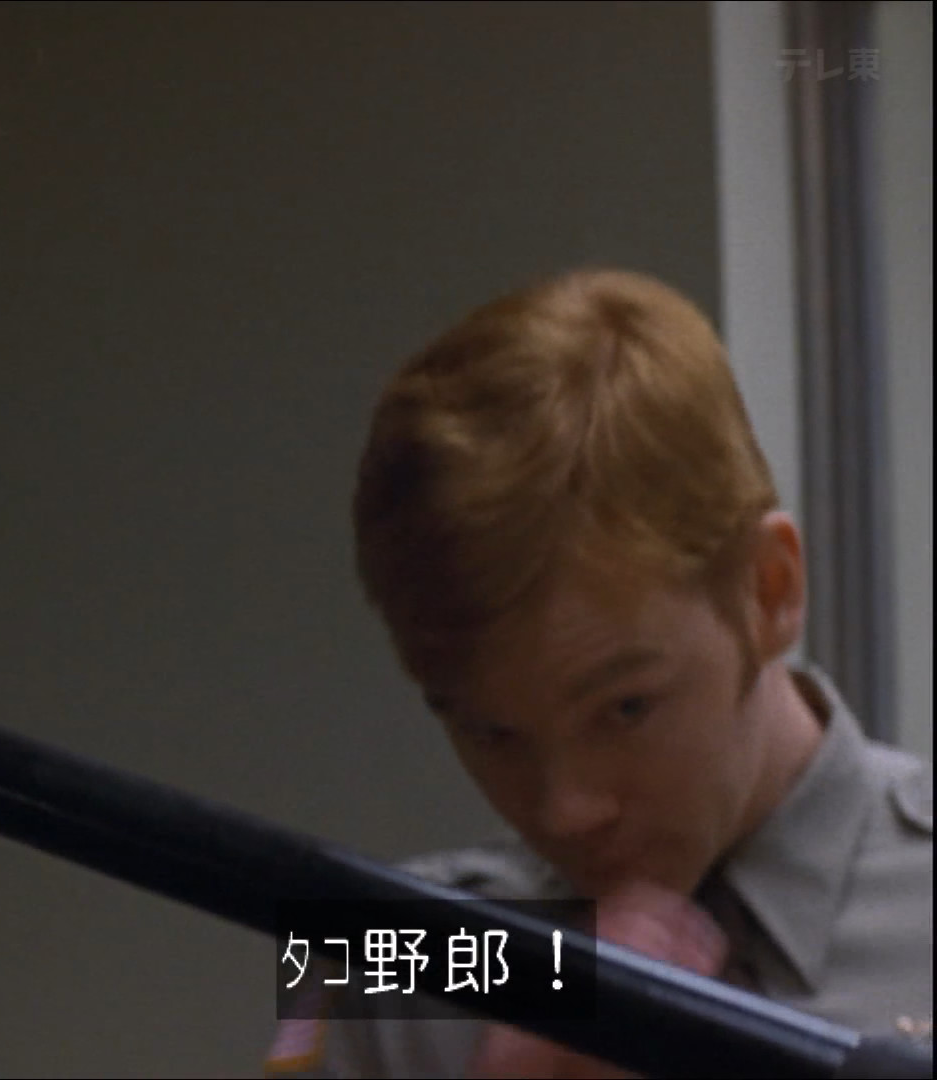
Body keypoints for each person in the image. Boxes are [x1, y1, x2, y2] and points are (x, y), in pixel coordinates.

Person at [265, 268, 932, 1078]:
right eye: (490, 733)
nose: (566, 809)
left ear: (770, 590)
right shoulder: (384, 965)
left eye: (625, 709)